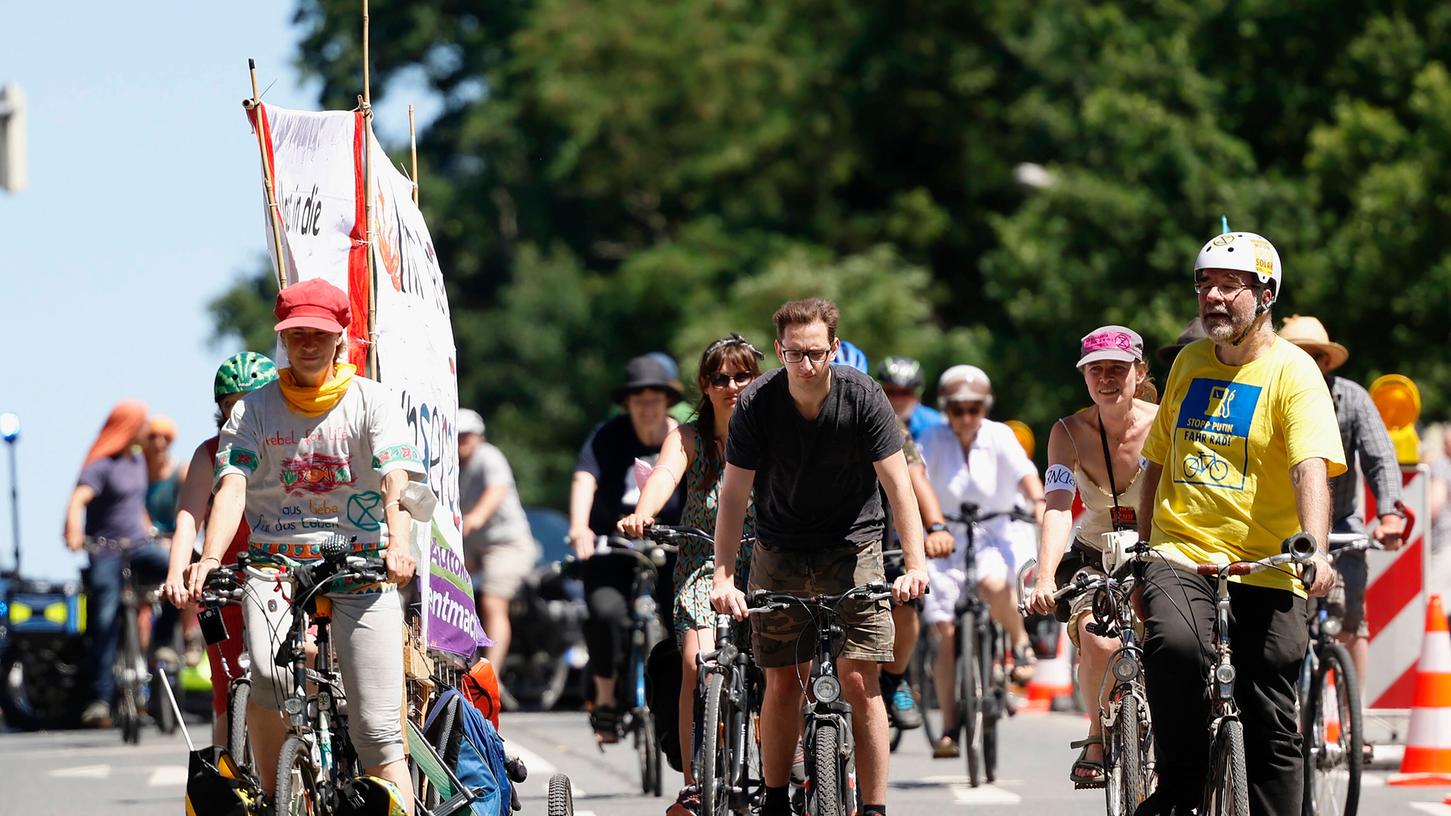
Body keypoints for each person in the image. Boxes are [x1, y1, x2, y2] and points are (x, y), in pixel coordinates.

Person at [185, 278, 423, 810]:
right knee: (266, 677)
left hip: (361, 562)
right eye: (297, 334)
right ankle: (277, 797)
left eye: (320, 333)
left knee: (378, 729)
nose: (308, 343)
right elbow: (232, 487)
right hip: (276, 563)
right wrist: (207, 558)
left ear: (341, 338)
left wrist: (398, 544)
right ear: (283, 340)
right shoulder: (253, 411)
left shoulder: (372, 402)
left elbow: (395, 480)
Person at [1134, 231, 1343, 816]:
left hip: (1268, 561)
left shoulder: (1293, 373)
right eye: (1205, 285)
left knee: (1270, 708)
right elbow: (1157, 460)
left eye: (1231, 286)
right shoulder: (1188, 364)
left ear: (1266, 295)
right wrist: (1142, 548)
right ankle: (1180, 782)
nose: (1214, 298)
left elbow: (1309, 466)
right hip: (1182, 550)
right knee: (1176, 648)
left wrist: (1316, 552)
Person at [710, 298, 930, 816]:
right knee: (784, 677)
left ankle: (874, 808)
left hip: (854, 544)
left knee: (860, 678)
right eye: (793, 354)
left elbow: (899, 488)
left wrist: (916, 567)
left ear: (834, 347)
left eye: (815, 352)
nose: (805, 365)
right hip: (780, 544)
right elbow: (735, 494)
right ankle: (775, 797)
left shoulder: (864, 397)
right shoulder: (758, 404)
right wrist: (724, 578)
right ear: (779, 352)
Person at [618, 333, 763, 816]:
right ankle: (696, 782)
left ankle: (791, 766)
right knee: (693, 663)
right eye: (720, 377)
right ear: (705, 385)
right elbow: (663, 474)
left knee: (783, 668)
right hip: (704, 561)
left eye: (742, 375)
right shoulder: (687, 437)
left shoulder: (772, 433)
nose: (732, 385)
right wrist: (643, 512)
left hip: (765, 563)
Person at [1027, 326, 1158, 785]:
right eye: (1095, 370)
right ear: (1084, 376)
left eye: (1117, 369)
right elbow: (1059, 506)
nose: (1106, 379)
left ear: (1139, 371)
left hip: (1159, 547)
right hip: (1095, 552)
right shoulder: (1067, 431)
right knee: (1096, 638)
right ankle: (1099, 732)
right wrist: (1045, 576)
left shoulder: (1165, 422)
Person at [917, 365, 1046, 758]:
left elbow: (1027, 478)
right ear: (946, 410)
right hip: (944, 539)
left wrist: (1041, 507)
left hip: (995, 532)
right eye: (958, 410)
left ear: (984, 407)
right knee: (943, 630)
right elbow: (916, 481)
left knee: (993, 583)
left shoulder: (1000, 436)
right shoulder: (932, 438)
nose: (966, 417)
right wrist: (928, 526)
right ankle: (950, 727)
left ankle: (1020, 642)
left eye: (974, 409)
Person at [1280, 315, 1405, 719]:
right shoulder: (1266, 393)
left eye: (1314, 357)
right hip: (1276, 524)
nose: (1306, 363)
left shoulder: (1351, 399)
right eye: (1296, 355)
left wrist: (1388, 514)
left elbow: (1381, 458)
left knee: (1351, 617)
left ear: (1327, 362)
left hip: (1341, 522)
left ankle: (1353, 722)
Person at [161, 352, 279, 745]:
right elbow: (187, 519)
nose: (242, 415)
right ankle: (226, 782)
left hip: (284, 575)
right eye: (232, 406)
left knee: (302, 666)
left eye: (253, 402)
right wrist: (177, 572)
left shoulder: (289, 445)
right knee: (227, 688)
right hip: (223, 580)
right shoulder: (209, 453)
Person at [568, 354, 687, 741]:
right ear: (627, 404)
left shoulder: (682, 436)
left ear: (667, 401)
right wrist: (579, 528)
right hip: (613, 543)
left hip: (672, 543)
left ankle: (692, 701)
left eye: (655, 399)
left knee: (684, 623)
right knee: (606, 614)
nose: (648, 407)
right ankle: (605, 700)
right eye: (639, 400)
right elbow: (585, 478)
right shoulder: (608, 436)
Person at [842, 344, 955, 732]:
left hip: (878, 536)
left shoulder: (886, 423)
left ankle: (895, 679)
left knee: (906, 602)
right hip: (816, 542)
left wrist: (936, 527)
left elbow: (915, 480)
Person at [64, 401, 179, 727]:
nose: (146, 430)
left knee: (178, 572)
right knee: (104, 617)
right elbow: (78, 500)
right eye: (142, 424)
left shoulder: (138, 462)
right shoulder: (100, 466)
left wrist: (152, 532)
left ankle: (163, 644)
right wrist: (74, 530)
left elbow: (135, 506)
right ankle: (102, 698)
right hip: (105, 550)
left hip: (140, 546)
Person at [459, 408, 539, 671]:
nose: (462, 442)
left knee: (493, 601)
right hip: (472, 547)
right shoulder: (449, 464)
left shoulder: (488, 457)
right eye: (457, 436)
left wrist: (475, 518)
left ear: (479, 436)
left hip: (507, 544)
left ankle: (490, 675)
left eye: (467, 436)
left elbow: (497, 490)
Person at [877, 356, 946, 441]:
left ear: (917, 396)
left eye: (905, 393)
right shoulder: (865, 420)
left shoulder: (935, 425)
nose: (898, 400)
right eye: (891, 392)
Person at [143, 416, 186, 539]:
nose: (159, 443)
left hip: (173, 538)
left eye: (165, 438)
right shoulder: (136, 474)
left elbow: (188, 513)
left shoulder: (181, 472)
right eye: (153, 437)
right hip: (142, 541)